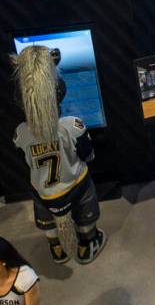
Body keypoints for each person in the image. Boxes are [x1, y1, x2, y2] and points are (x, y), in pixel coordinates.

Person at [10, 45, 106, 266]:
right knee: (85, 208)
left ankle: (57, 249)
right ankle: (87, 244)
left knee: (47, 218)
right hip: (75, 185)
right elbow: (87, 155)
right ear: (57, 91)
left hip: (43, 192)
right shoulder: (71, 126)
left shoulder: (21, 132)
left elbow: (24, 162)